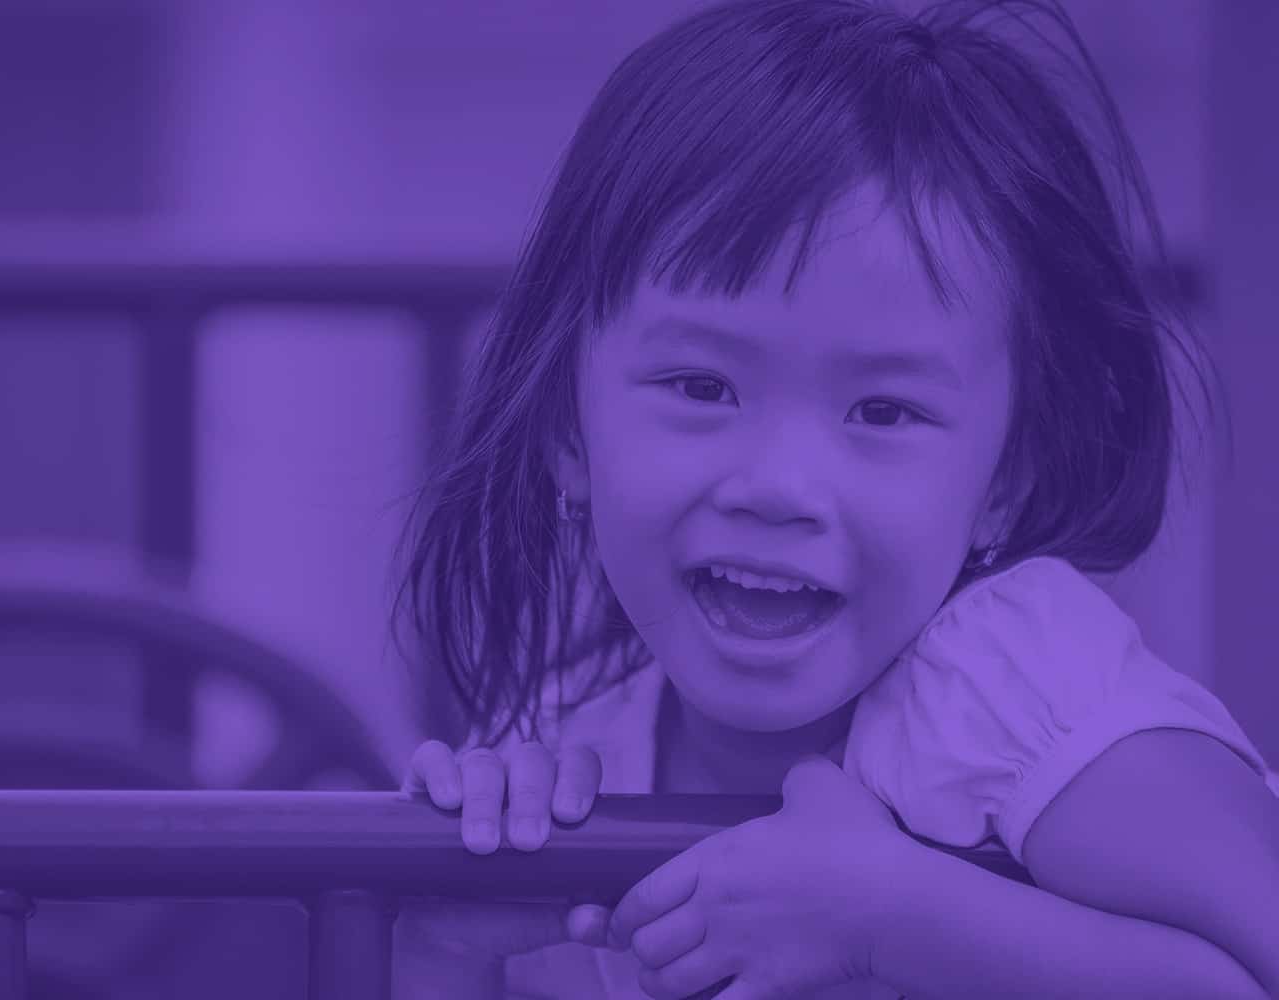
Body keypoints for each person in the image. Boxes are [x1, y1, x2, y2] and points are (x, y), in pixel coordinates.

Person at [389, 1, 1279, 998]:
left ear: (1004, 481)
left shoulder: (1015, 693)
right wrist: (437, 943)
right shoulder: (573, 756)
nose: (777, 487)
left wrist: (894, 921)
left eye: (883, 411)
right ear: (567, 433)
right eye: (702, 388)